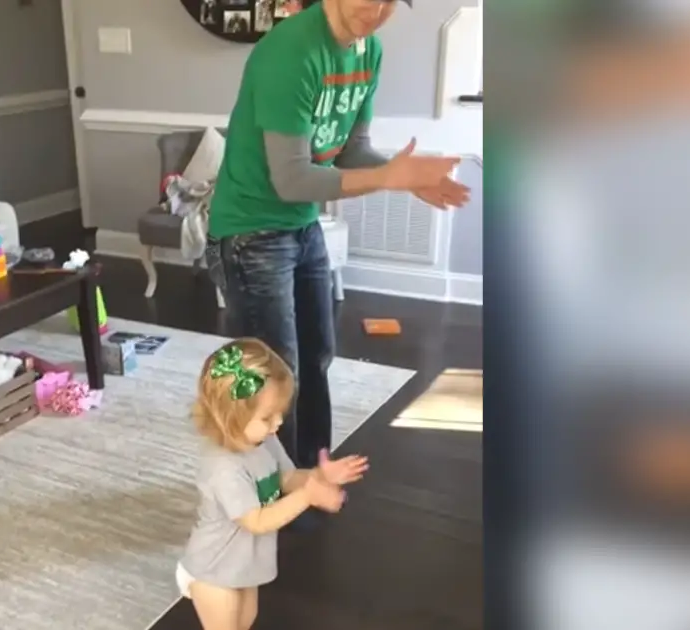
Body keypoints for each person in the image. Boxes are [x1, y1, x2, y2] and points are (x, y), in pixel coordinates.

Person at [206, 0, 469, 481]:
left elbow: (352, 151)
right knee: (270, 377)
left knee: (315, 356)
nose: (377, 8)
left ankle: (312, 471)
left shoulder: (368, 51)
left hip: (301, 227)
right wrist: (387, 178)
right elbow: (292, 179)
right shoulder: (291, 53)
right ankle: (268, 489)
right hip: (251, 232)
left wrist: (404, 177)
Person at [177, 339, 370, 630]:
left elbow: (288, 478)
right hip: (213, 570)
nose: (278, 422)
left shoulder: (263, 439)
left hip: (244, 565)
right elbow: (256, 520)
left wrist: (319, 476)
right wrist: (308, 496)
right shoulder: (223, 467)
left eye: (279, 412)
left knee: (246, 621)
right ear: (230, 417)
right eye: (267, 417)